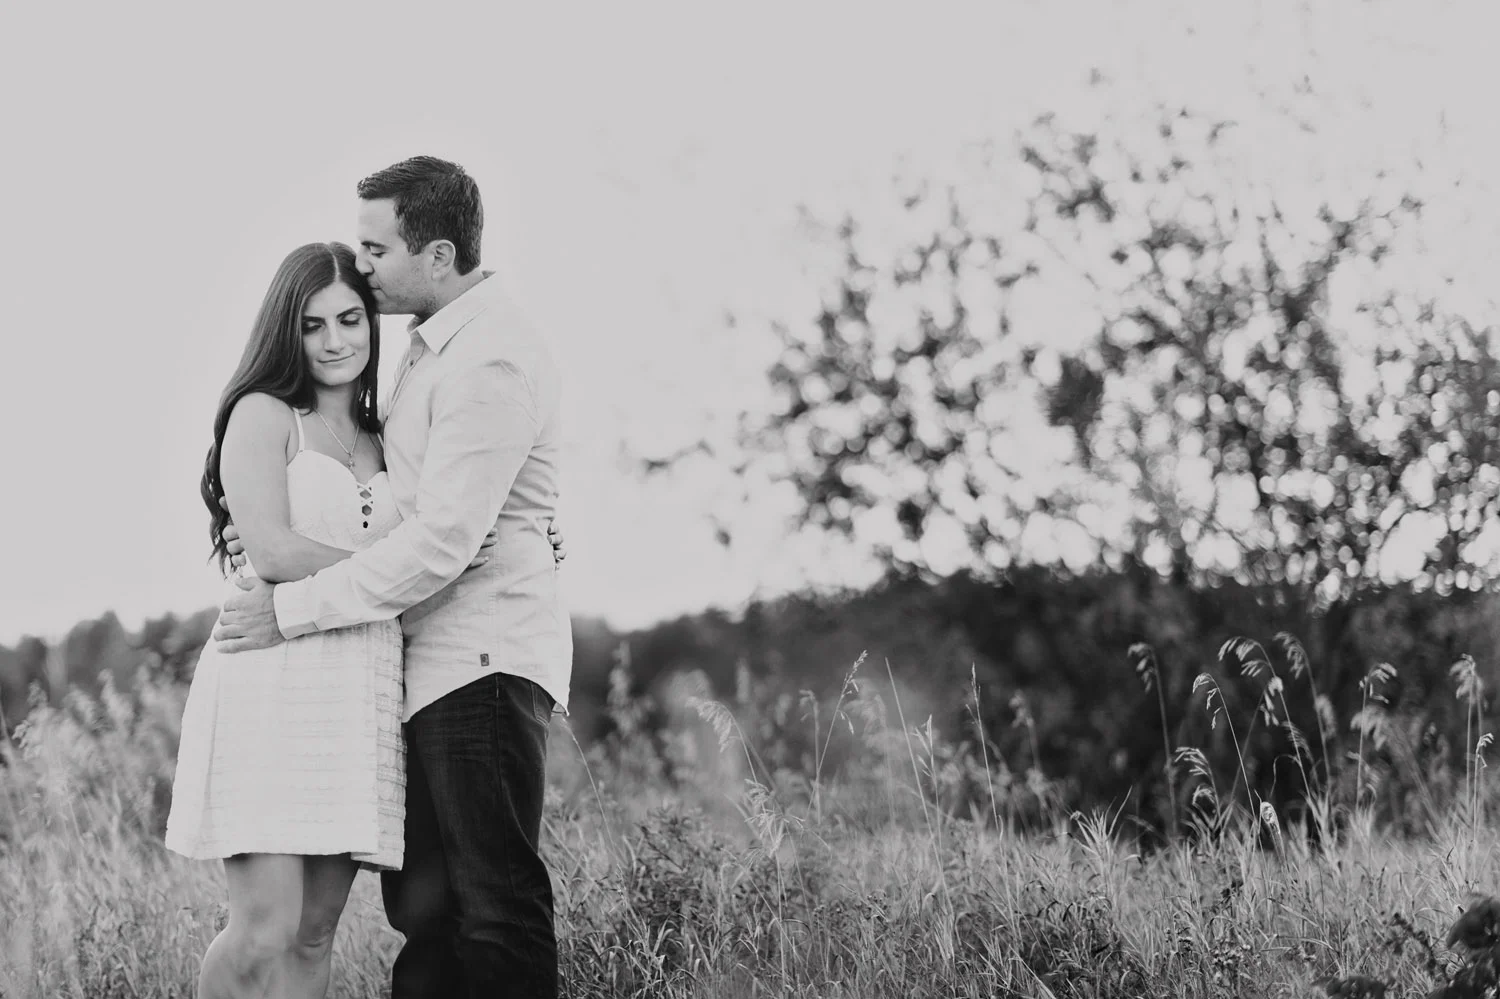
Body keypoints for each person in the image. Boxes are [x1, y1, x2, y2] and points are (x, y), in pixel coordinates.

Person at [213, 156, 573, 998]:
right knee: (427, 912)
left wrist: (291, 602)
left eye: (376, 251)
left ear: (437, 255)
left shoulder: (486, 356)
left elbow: (445, 542)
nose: (364, 266)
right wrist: (271, 535)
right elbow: (424, 516)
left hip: (477, 660)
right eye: (316, 323)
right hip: (401, 671)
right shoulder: (426, 355)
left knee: (492, 904)